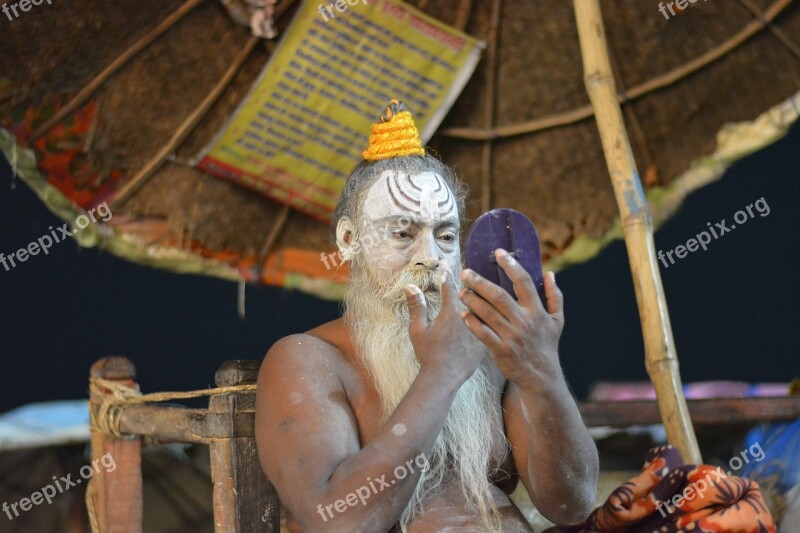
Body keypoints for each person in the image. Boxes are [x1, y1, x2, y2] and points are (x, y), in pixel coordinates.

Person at [255, 100, 598, 532]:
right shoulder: (307, 360)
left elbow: (572, 504)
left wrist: (543, 371)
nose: (430, 258)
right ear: (348, 241)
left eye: (446, 235)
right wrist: (441, 372)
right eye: (402, 233)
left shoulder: (491, 355)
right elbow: (340, 523)